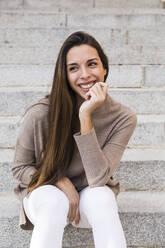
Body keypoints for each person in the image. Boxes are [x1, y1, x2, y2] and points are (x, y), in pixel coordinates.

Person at [12, 31, 137, 248]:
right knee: (52, 202)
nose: (85, 74)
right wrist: (59, 180)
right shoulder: (41, 113)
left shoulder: (123, 118)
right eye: (73, 68)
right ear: (64, 74)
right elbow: (20, 168)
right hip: (45, 192)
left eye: (92, 64)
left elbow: (98, 179)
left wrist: (85, 116)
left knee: (103, 199)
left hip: (90, 194)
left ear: (104, 68)